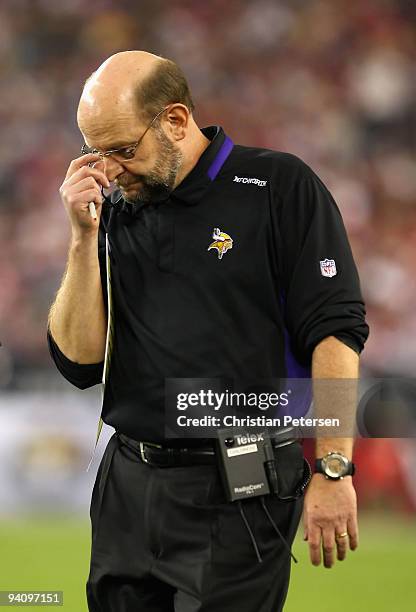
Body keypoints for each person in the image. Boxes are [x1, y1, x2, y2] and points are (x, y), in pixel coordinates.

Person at [47, 50, 369, 612]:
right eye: (95, 152)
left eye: (123, 149)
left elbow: (335, 332)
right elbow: (77, 363)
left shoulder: (277, 185)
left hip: (241, 474)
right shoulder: (116, 209)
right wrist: (81, 238)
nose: (111, 168)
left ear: (174, 120)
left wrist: (335, 468)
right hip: (129, 479)